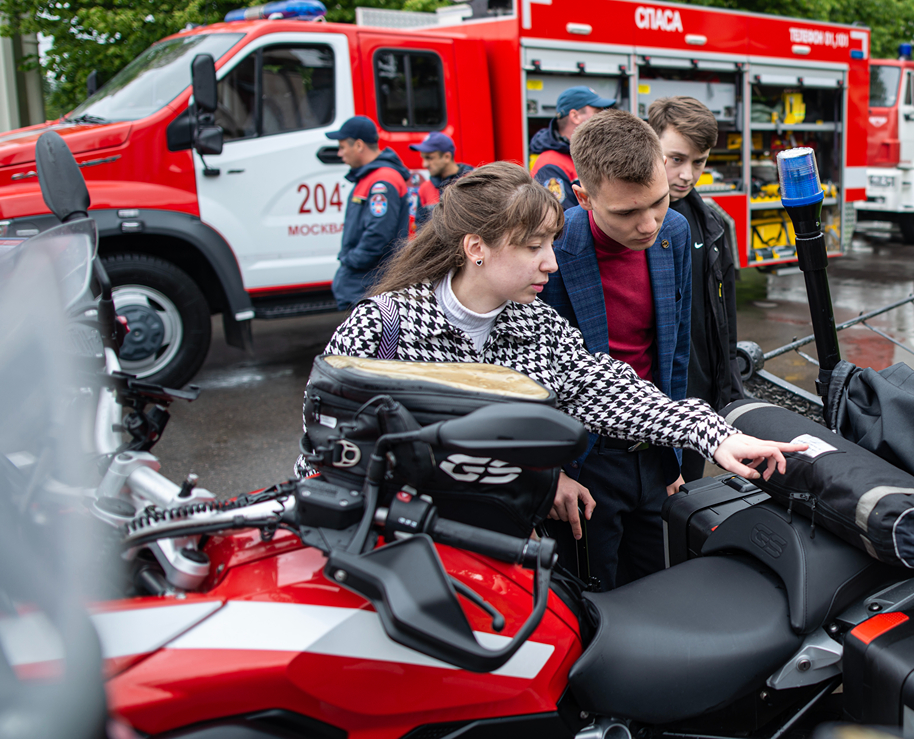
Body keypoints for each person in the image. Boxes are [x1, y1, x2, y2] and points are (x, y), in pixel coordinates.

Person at [304, 162, 802, 563]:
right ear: (476, 248)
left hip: (502, 552)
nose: (552, 262)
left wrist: (717, 435)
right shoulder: (384, 327)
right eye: (533, 247)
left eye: (551, 244)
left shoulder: (536, 323)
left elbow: (608, 388)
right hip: (401, 556)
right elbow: (321, 456)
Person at [537, 109, 711, 589]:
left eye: (656, 203)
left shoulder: (674, 233)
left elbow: (673, 352)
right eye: (626, 212)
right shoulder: (550, 250)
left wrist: (671, 457)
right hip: (584, 463)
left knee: (657, 586)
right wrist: (551, 473)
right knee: (593, 596)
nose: (647, 223)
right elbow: (527, 376)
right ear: (583, 197)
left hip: (653, 453)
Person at [647, 96, 743, 480]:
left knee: (686, 508)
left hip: (699, 400)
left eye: (699, 162)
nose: (687, 174)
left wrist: (729, 386)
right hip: (647, 405)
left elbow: (725, 318)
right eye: (676, 159)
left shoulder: (712, 223)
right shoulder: (634, 225)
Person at [328, 115, 412, 310]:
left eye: (342, 147)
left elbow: (378, 234)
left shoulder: (382, 181)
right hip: (366, 280)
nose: (340, 153)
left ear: (358, 145)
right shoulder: (371, 177)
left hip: (369, 280)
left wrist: (351, 262)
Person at [530, 86, 615, 209]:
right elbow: (562, 221)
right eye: (597, 112)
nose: (603, 118)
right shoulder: (551, 165)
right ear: (575, 116)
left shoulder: (585, 154)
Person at [410, 131, 475, 229]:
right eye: (423, 158)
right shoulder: (425, 189)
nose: (424, 164)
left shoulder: (472, 182)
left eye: (429, 158)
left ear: (447, 157)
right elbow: (420, 229)